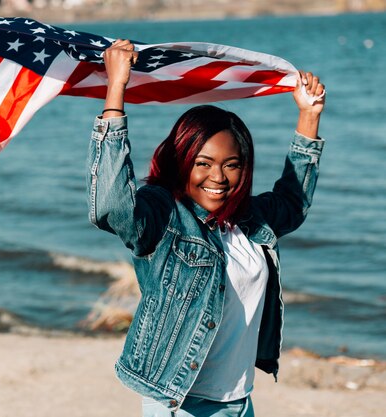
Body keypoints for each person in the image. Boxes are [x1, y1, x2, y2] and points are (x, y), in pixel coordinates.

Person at [87, 39, 325, 417]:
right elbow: (112, 207)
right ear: (182, 161)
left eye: (231, 164)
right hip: (181, 405)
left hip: (239, 401)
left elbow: (293, 202)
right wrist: (116, 90)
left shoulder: (251, 221)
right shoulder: (164, 216)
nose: (218, 177)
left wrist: (308, 117)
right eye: (203, 163)